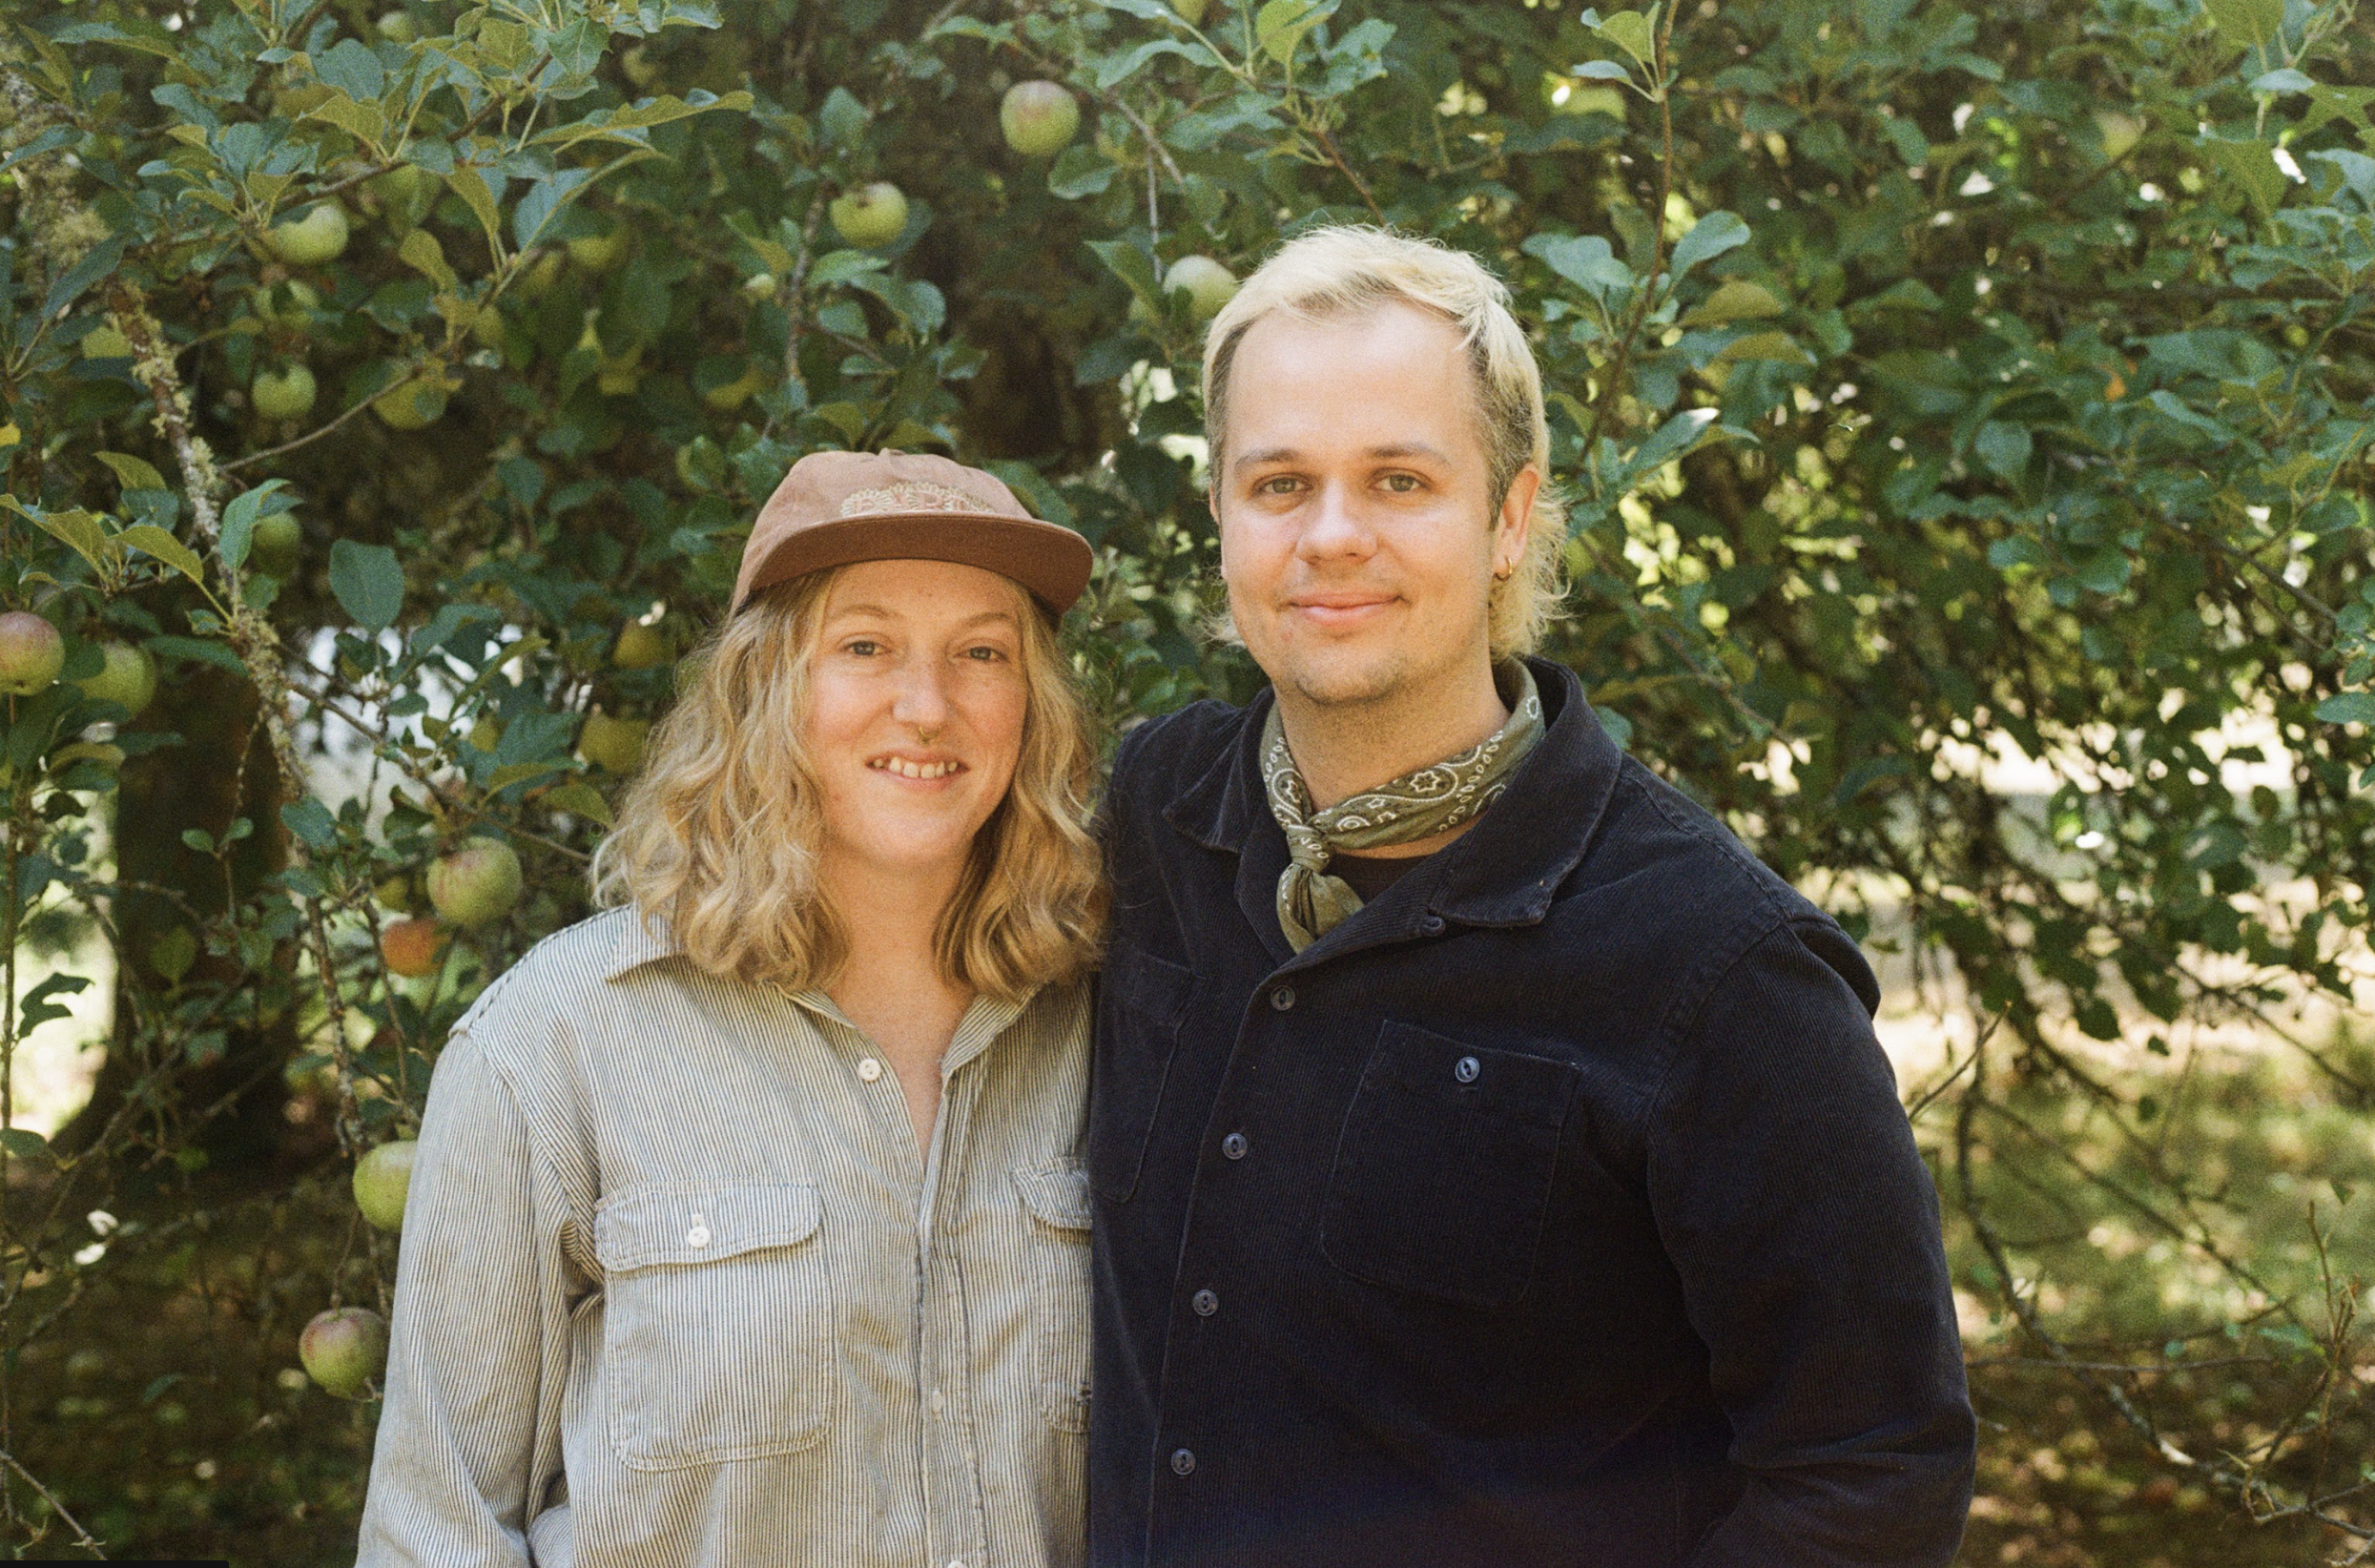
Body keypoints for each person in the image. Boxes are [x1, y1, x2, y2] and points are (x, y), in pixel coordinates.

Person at [1088, 226, 1975, 1567]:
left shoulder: (1718, 970)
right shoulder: (1150, 818)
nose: (1332, 537)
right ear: (1217, 513)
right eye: (1279, 483)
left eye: (1398, 480)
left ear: (1507, 516)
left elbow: (1868, 1473)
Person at [356, 450, 1105, 1568]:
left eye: (981, 653)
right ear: (766, 687)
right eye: (864, 646)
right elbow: (439, 1530)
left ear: (1031, 706)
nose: (928, 704)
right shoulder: (552, 1042)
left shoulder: (1113, 1021)